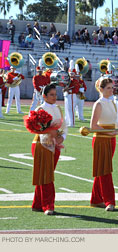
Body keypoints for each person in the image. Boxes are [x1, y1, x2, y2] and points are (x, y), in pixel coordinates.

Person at [90, 77, 118, 211]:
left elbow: (117, 122)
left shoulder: (114, 102)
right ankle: (109, 201)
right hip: (101, 140)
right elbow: (93, 126)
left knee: (102, 169)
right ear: (101, 89)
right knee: (105, 170)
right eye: (108, 88)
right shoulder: (99, 104)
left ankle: (96, 199)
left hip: (111, 139)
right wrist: (109, 133)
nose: (111, 90)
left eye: (112, 87)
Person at [31, 84, 67, 215]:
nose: (54, 97)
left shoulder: (58, 108)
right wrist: (50, 135)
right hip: (42, 144)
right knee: (47, 175)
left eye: (55, 94)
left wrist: (61, 138)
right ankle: (48, 205)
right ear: (44, 96)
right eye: (51, 95)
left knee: (46, 174)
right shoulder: (40, 109)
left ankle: (37, 203)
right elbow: (37, 129)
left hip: (55, 145)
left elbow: (64, 126)